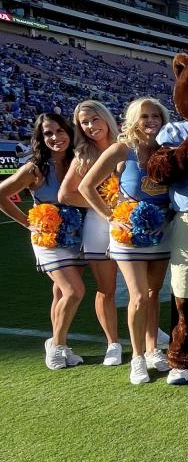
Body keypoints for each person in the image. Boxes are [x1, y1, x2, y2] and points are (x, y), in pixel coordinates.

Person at [79, 98, 173, 384]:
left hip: (161, 231)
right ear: (134, 119)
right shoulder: (122, 149)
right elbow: (86, 187)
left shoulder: (167, 151)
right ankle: (137, 358)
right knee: (138, 295)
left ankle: (153, 348)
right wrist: (110, 217)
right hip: (128, 232)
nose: (151, 120)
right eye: (145, 116)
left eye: (156, 115)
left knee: (155, 294)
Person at [0, 113, 86, 369]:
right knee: (74, 291)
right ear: (40, 138)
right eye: (48, 133)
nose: (55, 137)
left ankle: (61, 344)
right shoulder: (35, 169)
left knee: (60, 292)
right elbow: (2, 195)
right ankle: (56, 345)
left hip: (75, 236)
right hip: (48, 239)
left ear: (69, 133)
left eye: (60, 131)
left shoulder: (79, 162)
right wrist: (28, 222)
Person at [58, 100, 123, 366]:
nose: (90, 126)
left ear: (106, 117)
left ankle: (150, 335)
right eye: (84, 123)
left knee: (142, 288)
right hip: (99, 227)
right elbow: (66, 194)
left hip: (132, 223)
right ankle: (113, 344)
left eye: (95, 119)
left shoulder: (127, 145)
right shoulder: (83, 156)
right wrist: (107, 204)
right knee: (106, 289)